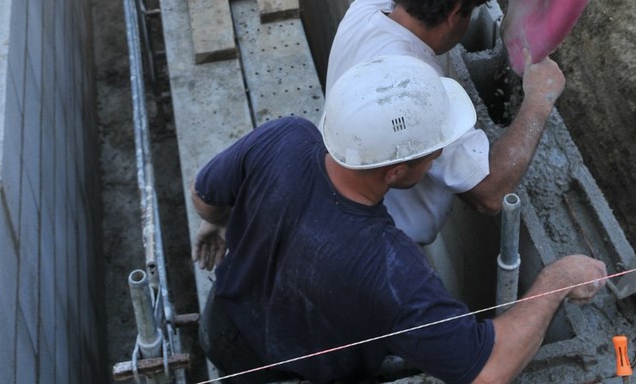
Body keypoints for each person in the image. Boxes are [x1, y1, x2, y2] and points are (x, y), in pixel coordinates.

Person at [192, 56, 606, 384]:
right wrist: (557, 281)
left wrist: (215, 222)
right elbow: (488, 371)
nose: (439, 157)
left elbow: (204, 196)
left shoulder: (285, 136)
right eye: (433, 151)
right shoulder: (388, 267)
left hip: (222, 332)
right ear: (393, 171)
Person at [324, 0, 565, 244]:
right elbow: (489, 193)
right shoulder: (414, 91)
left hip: (339, 195)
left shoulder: (372, 1)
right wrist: (539, 99)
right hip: (383, 240)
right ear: (455, 13)